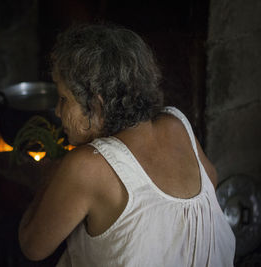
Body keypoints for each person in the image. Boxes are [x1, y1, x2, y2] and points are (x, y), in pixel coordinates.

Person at [18, 24, 236, 266]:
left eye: (63, 99)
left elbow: (32, 247)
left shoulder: (88, 165)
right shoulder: (176, 123)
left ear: (98, 105)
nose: (58, 112)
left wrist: (49, 176)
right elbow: (211, 179)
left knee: (9, 234)